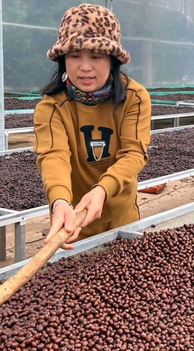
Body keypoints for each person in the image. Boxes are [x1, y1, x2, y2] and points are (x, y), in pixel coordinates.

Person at [34, 3, 151, 250]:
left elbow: (133, 153)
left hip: (122, 215)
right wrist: (60, 202)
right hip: (75, 222)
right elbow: (53, 157)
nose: (85, 67)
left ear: (112, 59)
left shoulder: (134, 97)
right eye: (75, 56)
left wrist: (102, 190)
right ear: (63, 59)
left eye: (96, 57)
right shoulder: (52, 107)